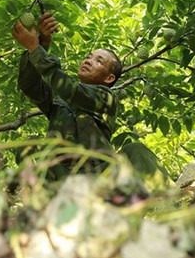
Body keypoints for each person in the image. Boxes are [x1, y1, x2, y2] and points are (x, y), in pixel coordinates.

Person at [11, 12, 122, 177]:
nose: (88, 61)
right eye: (88, 57)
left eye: (99, 61)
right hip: (60, 174)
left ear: (109, 78)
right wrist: (42, 42)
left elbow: (71, 90)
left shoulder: (106, 98)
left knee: (135, 151)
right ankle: (34, 192)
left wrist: (35, 48)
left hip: (96, 174)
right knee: (29, 146)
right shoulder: (60, 98)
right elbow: (29, 85)